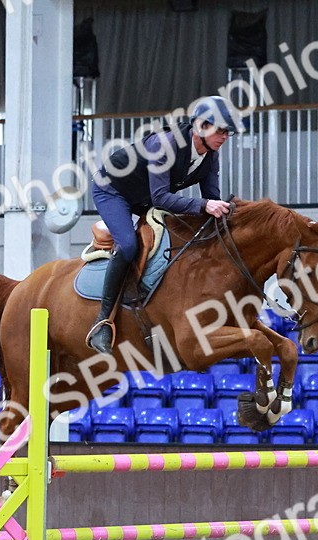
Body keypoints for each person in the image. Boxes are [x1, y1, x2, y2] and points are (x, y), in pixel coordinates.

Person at [85, 95, 241, 354]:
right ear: (201, 126)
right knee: (128, 245)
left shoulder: (210, 156)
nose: (225, 137)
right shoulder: (165, 144)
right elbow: (161, 198)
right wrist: (204, 205)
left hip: (146, 196)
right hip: (113, 191)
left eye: (228, 132)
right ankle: (102, 322)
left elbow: (211, 199)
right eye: (221, 130)